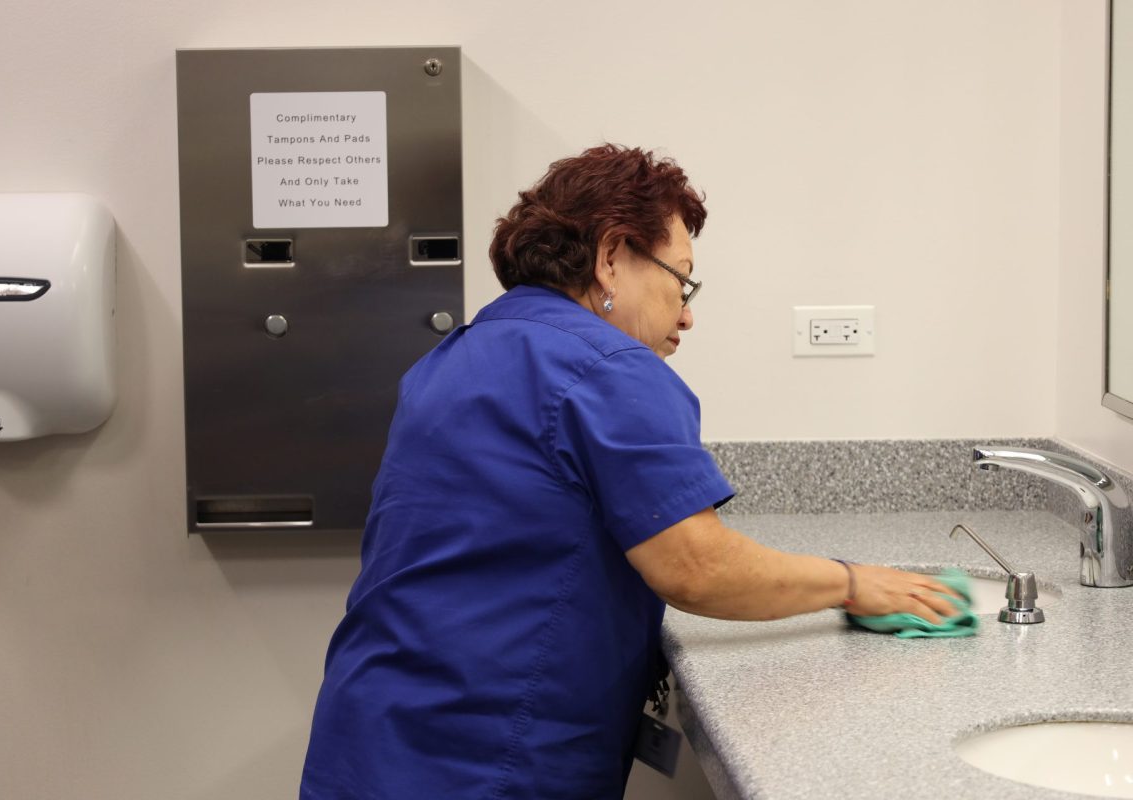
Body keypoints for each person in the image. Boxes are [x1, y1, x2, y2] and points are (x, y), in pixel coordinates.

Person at [299, 144, 958, 800]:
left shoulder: (460, 353)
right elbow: (697, 568)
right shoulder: (608, 366)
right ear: (613, 256)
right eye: (682, 280)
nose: (689, 312)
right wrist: (850, 582)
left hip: (371, 734)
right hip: (487, 760)